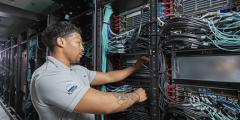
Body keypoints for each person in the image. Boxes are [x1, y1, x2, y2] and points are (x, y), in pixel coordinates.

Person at [30, 21, 149, 120]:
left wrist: (135, 67)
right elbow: (106, 104)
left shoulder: (77, 70)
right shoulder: (48, 76)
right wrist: (136, 96)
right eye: (78, 42)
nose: (82, 48)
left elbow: (109, 77)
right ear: (61, 42)